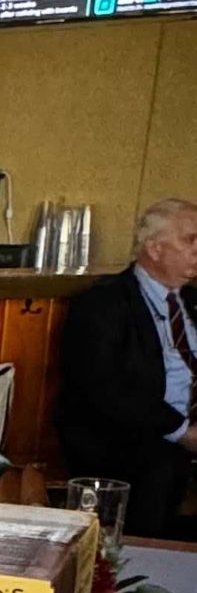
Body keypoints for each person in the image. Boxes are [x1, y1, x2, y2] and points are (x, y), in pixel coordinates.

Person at [56, 198, 197, 539]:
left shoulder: (192, 301)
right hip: (123, 432)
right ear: (155, 248)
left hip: (186, 428)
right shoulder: (103, 303)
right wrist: (183, 432)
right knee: (160, 467)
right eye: (190, 241)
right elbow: (106, 389)